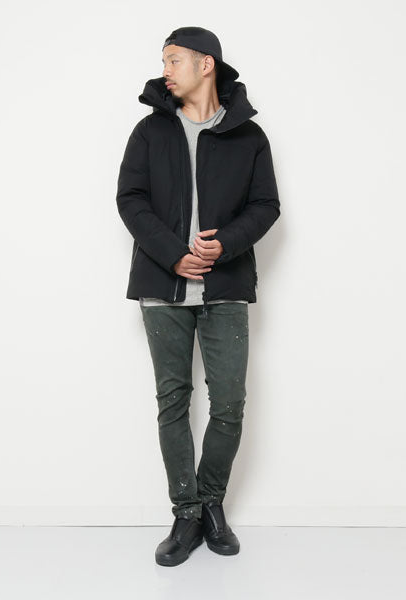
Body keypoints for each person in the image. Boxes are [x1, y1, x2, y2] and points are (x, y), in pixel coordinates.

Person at [116, 26, 280, 567]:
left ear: (205, 64)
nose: (165, 70)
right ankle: (185, 513)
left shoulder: (248, 137)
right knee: (173, 401)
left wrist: (225, 244)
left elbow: (266, 205)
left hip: (225, 286)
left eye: (174, 60)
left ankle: (211, 503)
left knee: (229, 402)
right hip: (162, 287)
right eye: (163, 61)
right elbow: (130, 199)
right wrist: (173, 255)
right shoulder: (149, 131)